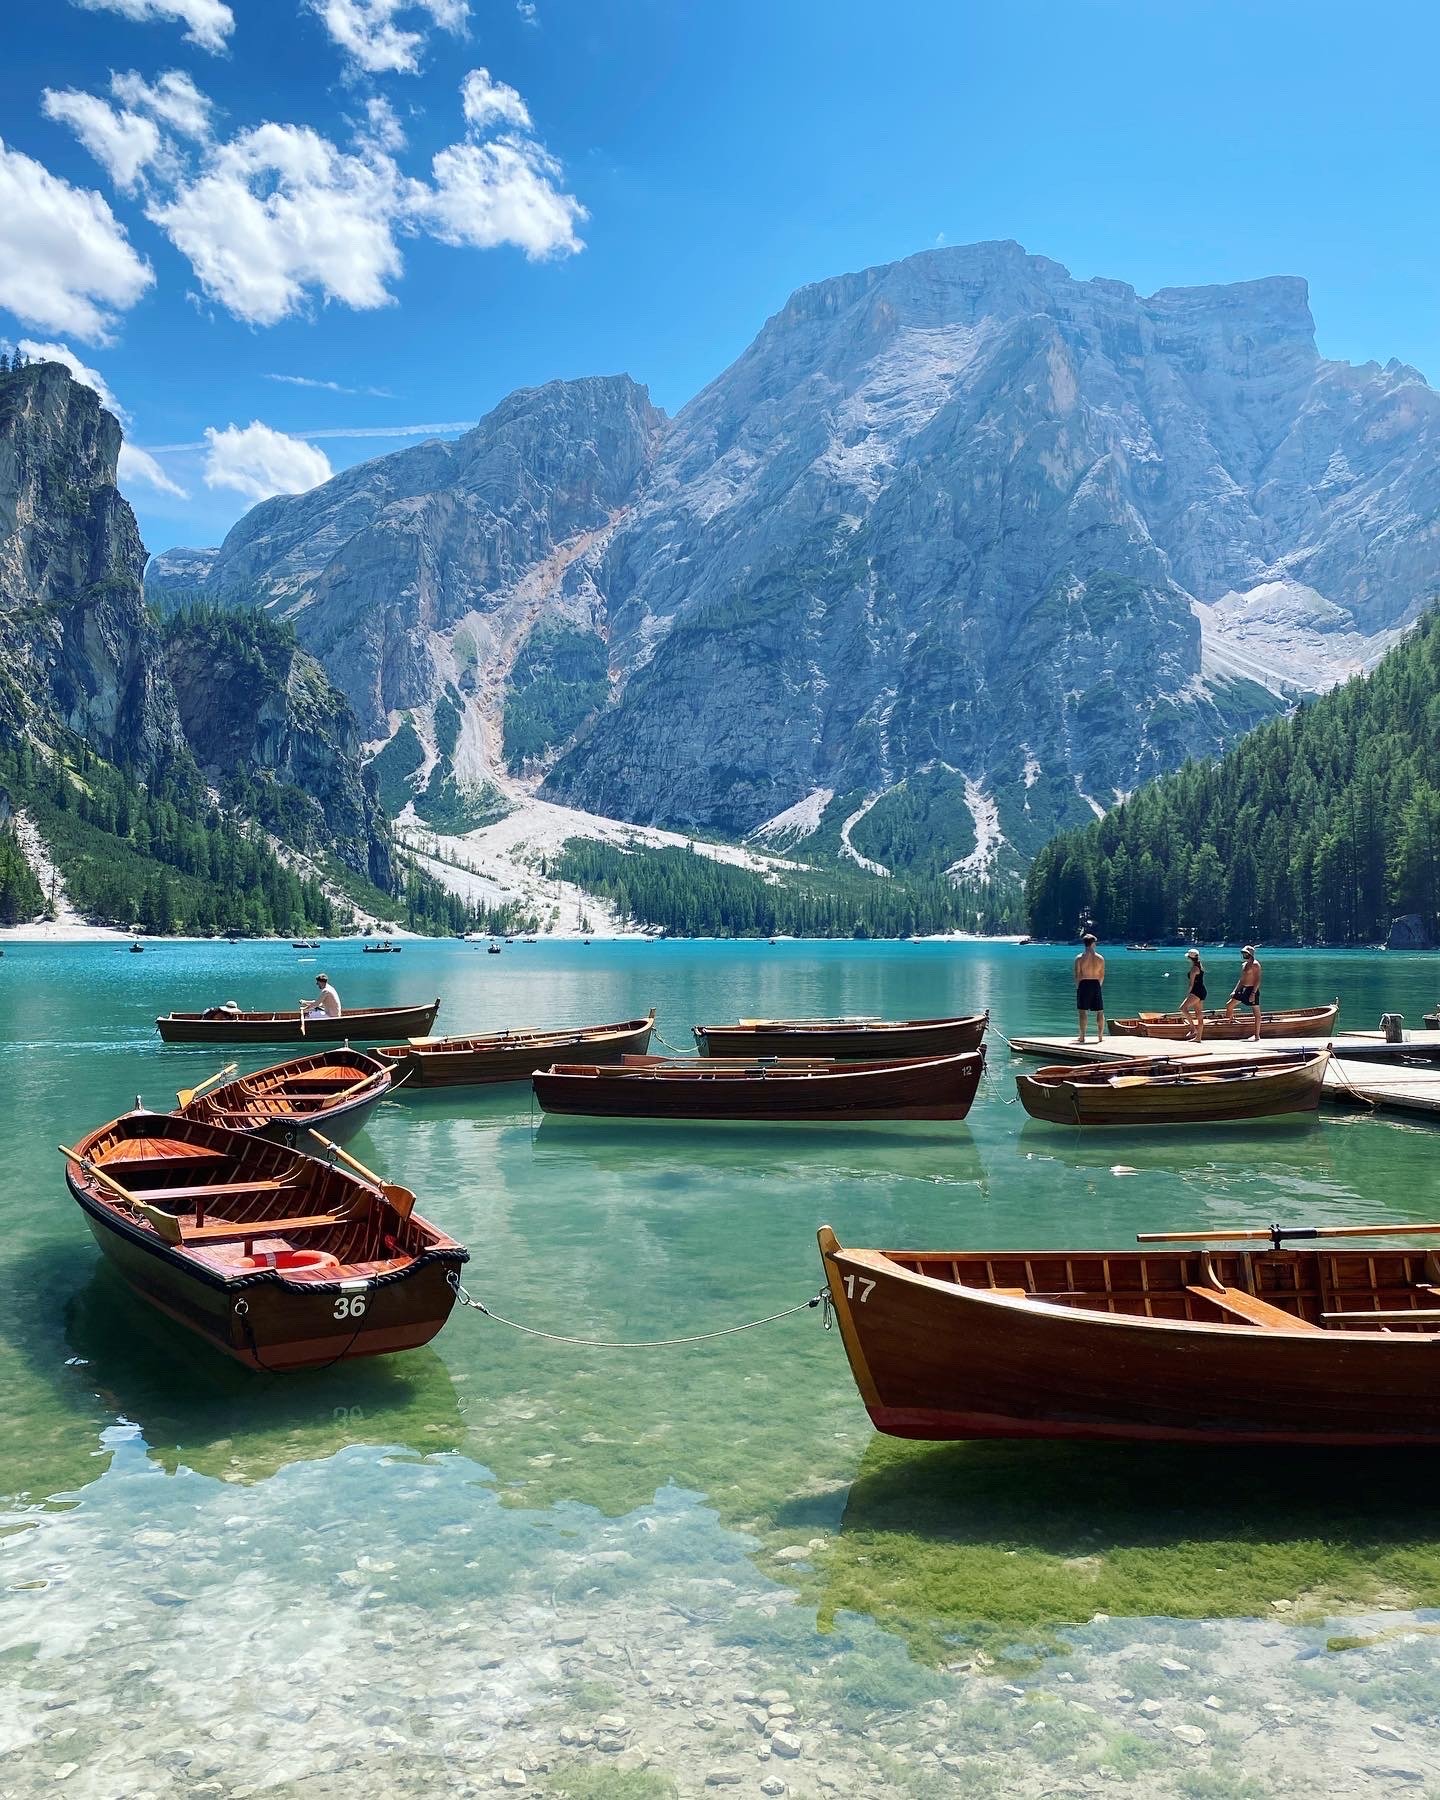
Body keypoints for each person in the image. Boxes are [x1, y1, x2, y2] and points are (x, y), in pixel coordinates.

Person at [1224, 946, 1263, 1041]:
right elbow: (1241, 979)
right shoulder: (1244, 965)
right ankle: (1231, 1021)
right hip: (1242, 989)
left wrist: (1253, 993)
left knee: (1256, 1013)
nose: (1243, 955)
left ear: (1250, 954)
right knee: (1229, 1005)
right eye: (1243, 953)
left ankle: (1257, 1035)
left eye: (1245, 953)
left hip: (1252, 990)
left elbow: (1258, 980)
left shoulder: (1255, 964)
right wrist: (1235, 990)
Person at [1073, 933, 1105, 1043]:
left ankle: (1082, 1036)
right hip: (1096, 983)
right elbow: (1102, 975)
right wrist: (1098, 985)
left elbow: (1077, 975)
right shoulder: (1100, 958)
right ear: (1093, 943)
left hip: (1084, 983)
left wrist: (1078, 987)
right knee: (1100, 1011)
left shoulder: (1079, 958)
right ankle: (1100, 1037)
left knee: (1082, 1012)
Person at [1180, 949, 1208, 1041]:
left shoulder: (1194, 969)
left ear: (1189, 958)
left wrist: (1188, 994)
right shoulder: (1199, 966)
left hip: (1196, 991)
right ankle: (1198, 1038)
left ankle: (1192, 1029)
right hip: (1202, 991)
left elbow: (1191, 984)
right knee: (1199, 1014)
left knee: (1183, 1008)